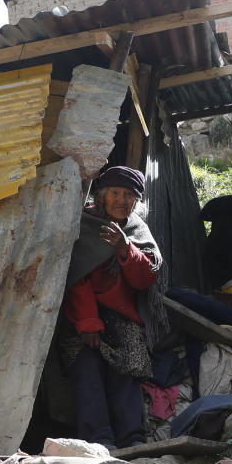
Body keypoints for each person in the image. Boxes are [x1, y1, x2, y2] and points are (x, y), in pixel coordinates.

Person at [61, 166, 169, 449]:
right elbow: (76, 275)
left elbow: (145, 279)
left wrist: (125, 249)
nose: (122, 201)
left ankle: (132, 439)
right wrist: (89, 323)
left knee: (130, 363)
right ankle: (98, 441)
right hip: (81, 313)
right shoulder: (83, 224)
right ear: (101, 195)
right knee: (87, 365)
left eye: (129, 195)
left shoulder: (136, 229)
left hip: (122, 313)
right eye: (115, 193)